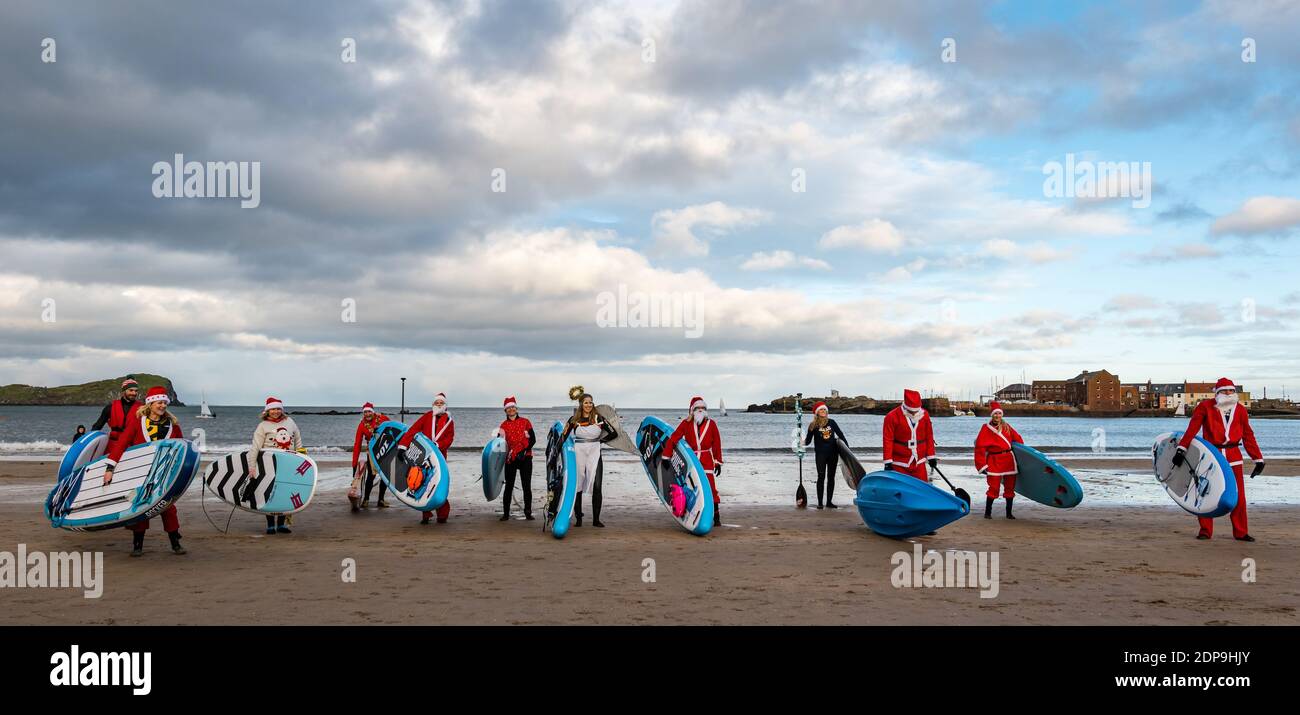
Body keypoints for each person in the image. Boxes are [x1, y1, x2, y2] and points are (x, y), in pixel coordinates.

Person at [1172, 378, 1264, 541]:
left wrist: (1258, 458)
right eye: (1224, 391)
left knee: (1239, 496)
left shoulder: (1241, 410)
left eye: (1231, 391)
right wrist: (1182, 448)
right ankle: (1205, 531)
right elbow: (1193, 428)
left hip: (1234, 457)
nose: (1228, 394)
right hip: (1211, 456)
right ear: (1217, 393)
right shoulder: (1205, 407)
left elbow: (1248, 435)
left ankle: (1241, 532)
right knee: (1205, 492)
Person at [102, 386, 186, 557]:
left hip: (163, 473)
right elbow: (121, 444)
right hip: (140, 473)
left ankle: (175, 543)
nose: (162, 406)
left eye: (164, 403)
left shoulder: (173, 426)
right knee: (141, 506)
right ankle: (137, 545)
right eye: (159, 403)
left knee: (168, 507)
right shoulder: (138, 423)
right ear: (150, 404)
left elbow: (181, 448)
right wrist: (110, 468)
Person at [664, 396, 725, 525]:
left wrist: (718, 461)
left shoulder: (712, 424)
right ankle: (692, 514)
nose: (701, 410)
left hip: (707, 460)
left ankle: (716, 517)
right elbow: (674, 438)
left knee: (711, 488)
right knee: (692, 488)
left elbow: (717, 443)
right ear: (692, 410)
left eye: (703, 408)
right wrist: (666, 455)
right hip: (691, 461)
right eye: (698, 408)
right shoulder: (686, 424)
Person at [250, 396, 305, 535]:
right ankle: (270, 525)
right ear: (267, 411)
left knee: (285, 492)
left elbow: (298, 441)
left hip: (288, 463)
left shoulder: (290, 421)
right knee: (269, 493)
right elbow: (255, 447)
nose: (276, 411)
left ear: (282, 409)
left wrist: (302, 459)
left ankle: (281, 524)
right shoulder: (263, 426)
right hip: (268, 464)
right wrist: (252, 466)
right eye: (273, 409)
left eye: (278, 409)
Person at [398, 392, 454, 525]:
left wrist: (438, 445)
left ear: (445, 405)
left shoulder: (449, 421)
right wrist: (403, 446)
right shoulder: (427, 417)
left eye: (441, 403)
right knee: (422, 482)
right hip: (424, 456)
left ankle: (442, 514)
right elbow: (413, 430)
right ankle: (426, 514)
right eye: (436, 403)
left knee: (438, 483)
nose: (438, 405)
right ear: (433, 404)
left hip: (440, 456)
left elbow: (450, 438)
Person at [561, 392, 616, 527]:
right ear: (581, 404)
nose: (588, 405)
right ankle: (578, 518)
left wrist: (600, 441)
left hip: (594, 452)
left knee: (597, 486)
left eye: (590, 402)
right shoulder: (573, 420)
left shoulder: (599, 418)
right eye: (586, 402)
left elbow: (613, 433)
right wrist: (556, 453)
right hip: (578, 451)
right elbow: (563, 437)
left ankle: (596, 520)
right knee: (577, 486)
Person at [974, 401, 1023, 519]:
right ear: (992, 415)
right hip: (994, 461)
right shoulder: (986, 428)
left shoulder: (1007, 426)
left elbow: (1019, 440)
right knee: (994, 488)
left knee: (1010, 487)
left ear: (1002, 415)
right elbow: (979, 448)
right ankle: (988, 513)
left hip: (1009, 460)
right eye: (995, 414)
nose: (997, 416)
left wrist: (1023, 458)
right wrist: (982, 466)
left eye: (999, 414)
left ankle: (1009, 513)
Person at [495, 396, 536, 521]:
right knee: (509, 486)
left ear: (516, 408)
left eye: (513, 407)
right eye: (508, 408)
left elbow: (533, 439)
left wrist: (523, 452)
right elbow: (499, 443)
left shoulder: (525, 422)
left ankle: (528, 512)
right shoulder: (503, 426)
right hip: (510, 459)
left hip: (525, 458)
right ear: (505, 411)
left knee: (526, 486)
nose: (511, 409)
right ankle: (506, 513)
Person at [882, 389, 937, 481]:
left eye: (916, 411)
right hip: (899, 462)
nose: (914, 413)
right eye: (911, 411)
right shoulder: (891, 417)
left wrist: (931, 456)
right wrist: (888, 462)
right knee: (900, 489)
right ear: (905, 406)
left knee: (922, 489)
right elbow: (888, 439)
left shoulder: (925, 415)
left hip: (919, 462)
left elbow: (929, 436)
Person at [802, 401, 846, 509]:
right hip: (820, 454)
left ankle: (829, 502)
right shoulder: (813, 425)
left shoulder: (832, 422)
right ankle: (820, 503)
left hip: (833, 454)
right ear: (817, 412)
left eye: (825, 409)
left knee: (831, 477)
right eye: (821, 410)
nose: (823, 411)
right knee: (821, 477)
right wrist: (800, 441)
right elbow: (808, 442)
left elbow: (841, 435)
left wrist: (847, 449)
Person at [351, 402, 390, 511]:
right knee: (371, 476)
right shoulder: (362, 425)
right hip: (372, 451)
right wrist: (354, 465)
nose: (367, 414)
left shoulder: (383, 418)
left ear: (372, 412)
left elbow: (392, 430)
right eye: (365, 412)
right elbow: (357, 444)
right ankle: (366, 500)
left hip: (385, 450)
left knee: (385, 476)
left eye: (369, 411)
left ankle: (381, 500)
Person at [91, 376, 140, 453]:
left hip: (133, 447)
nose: (134, 393)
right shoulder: (110, 408)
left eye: (136, 391)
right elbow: (97, 427)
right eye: (131, 390)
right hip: (112, 446)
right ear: (124, 391)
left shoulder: (142, 409)